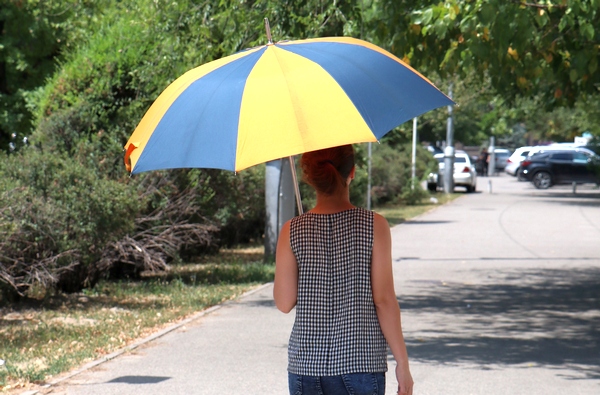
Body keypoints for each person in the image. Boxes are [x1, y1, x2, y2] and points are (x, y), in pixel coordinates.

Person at [274, 145, 413, 395]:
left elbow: (284, 303)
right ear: (353, 173)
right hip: (360, 364)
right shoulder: (375, 226)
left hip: (306, 366)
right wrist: (402, 364)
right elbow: (384, 301)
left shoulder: (291, 230)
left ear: (309, 177)